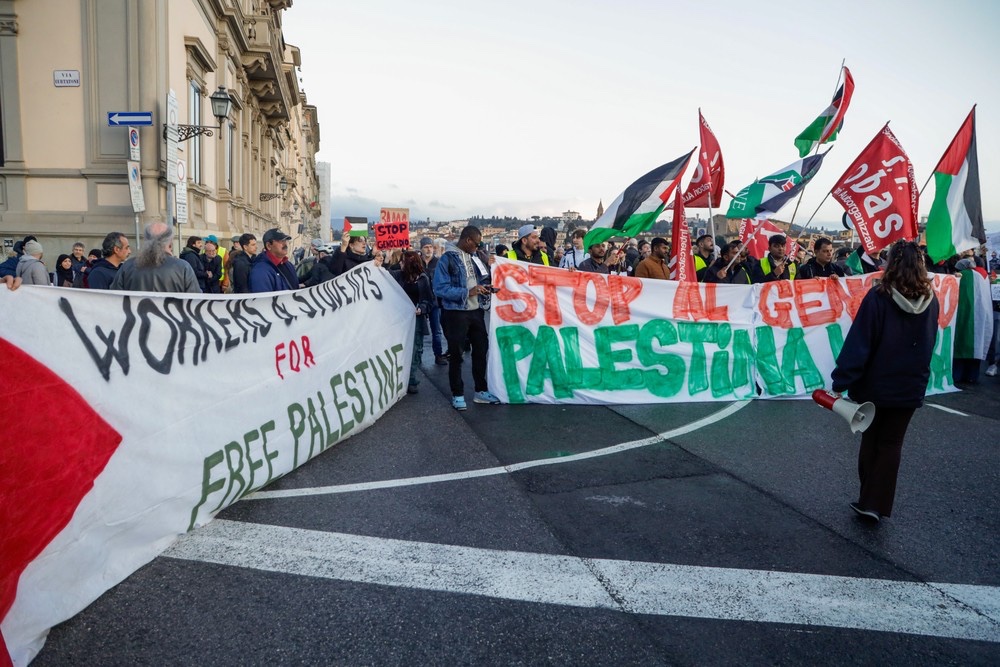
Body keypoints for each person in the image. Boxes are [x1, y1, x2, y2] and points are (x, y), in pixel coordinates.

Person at [831, 240, 939, 523]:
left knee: (872, 439)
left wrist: (842, 379)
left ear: (890, 263)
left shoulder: (879, 296)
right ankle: (875, 503)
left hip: (876, 384)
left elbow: (860, 342)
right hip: (911, 383)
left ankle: (868, 499)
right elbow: (930, 342)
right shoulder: (932, 299)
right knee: (892, 444)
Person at [432, 225, 501, 410]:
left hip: (475, 311)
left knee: (481, 349)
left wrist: (486, 287)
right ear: (468, 240)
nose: (478, 247)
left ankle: (481, 390)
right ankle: (458, 394)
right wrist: (468, 291)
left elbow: (481, 280)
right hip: (455, 313)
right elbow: (439, 289)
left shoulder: (475, 257)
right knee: (457, 354)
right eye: (477, 244)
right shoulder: (447, 259)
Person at [111, 222, 200, 293]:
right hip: (172, 315)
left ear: (145, 239)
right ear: (170, 241)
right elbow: (195, 301)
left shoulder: (128, 266)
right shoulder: (183, 267)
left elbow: (114, 299)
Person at [392, 250, 434, 394]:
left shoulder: (423, 279)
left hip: (416, 321)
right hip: (399, 321)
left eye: (403, 261)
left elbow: (429, 301)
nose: (400, 263)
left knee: (415, 350)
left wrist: (421, 309)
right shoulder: (397, 275)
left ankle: (411, 379)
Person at [249, 228, 301, 293]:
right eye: (280, 241)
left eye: (285, 241)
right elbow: (263, 300)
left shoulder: (288, 264)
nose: (285, 244)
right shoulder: (260, 271)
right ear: (268, 246)